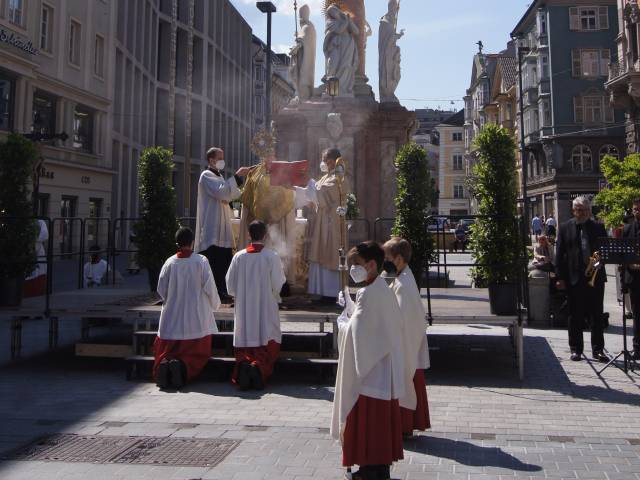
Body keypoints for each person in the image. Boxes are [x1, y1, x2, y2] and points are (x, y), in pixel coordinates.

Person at [331, 241, 406, 480]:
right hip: (381, 368)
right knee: (378, 425)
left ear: (372, 265)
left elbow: (358, 334)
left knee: (368, 423)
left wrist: (343, 323)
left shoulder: (369, 292)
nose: (353, 269)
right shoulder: (380, 289)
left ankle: (369, 470)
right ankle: (377, 468)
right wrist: (353, 312)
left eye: (357, 264)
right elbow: (368, 324)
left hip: (370, 372)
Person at [154, 227, 221, 390]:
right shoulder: (201, 261)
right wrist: (215, 305)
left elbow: (161, 289)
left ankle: (166, 365)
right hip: (196, 319)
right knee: (197, 353)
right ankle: (182, 368)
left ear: (177, 243)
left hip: (172, 317)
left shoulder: (169, 262)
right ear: (192, 242)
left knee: (169, 349)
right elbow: (210, 287)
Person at [226, 220, 287, 390]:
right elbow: (278, 283)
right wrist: (274, 295)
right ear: (266, 235)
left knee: (246, 340)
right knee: (266, 340)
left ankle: (245, 366)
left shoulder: (238, 257)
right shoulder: (271, 256)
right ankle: (258, 369)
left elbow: (230, 285)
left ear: (248, 234)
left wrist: (241, 294)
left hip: (244, 309)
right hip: (265, 308)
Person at [383, 238, 431, 437]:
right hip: (407, 345)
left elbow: (403, 321)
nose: (384, 262)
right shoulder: (402, 276)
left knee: (405, 383)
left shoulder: (404, 285)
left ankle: (403, 426)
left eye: (387, 258)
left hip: (405, 346)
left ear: (399, 259)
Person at [554, 196, 608, 362]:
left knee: (596, 315)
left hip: (595, 276)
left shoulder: (598, 227)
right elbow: (560, 254)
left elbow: (604, 251)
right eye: (578, 210)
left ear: (589, 211)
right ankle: (576, 349)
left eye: (585, 210)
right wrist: (560, 277)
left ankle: (598, 350)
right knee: (574, 315)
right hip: (574, 277)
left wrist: (596, 265)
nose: (582, 213)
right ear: (573, 211)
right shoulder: (565, 227)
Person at [194, 147, 249, 303]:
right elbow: (222, 193)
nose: (223, 161)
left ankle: (223, 291)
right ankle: (215, 292)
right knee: (214, 260)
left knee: (224, 259)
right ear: (211, 160)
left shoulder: (219, 178)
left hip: (222, 227)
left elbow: (232, 195)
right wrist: (237, 176)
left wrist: (247, 185)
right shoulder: (206, 176)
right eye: (220, 158)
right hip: (212, 227)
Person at [306, 148, 350, 302]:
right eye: (324, 160)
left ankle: (331, 293)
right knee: (320, 253)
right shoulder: (327, 176)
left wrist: (309, 184)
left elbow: (323, 193)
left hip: (331, 224)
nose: (325, 163)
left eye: (327, 160)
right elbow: (314, 193)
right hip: (322, 222)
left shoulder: (339, 177)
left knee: (329, 253)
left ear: (335, 160)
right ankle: (319, 291)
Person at [621, 198, 640, 360]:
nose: (637, 212)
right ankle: (637, 348)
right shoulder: (628, 229)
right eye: (635, 209)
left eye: (639, 209)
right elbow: (622, 256)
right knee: (637, 315)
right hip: (634, 278)